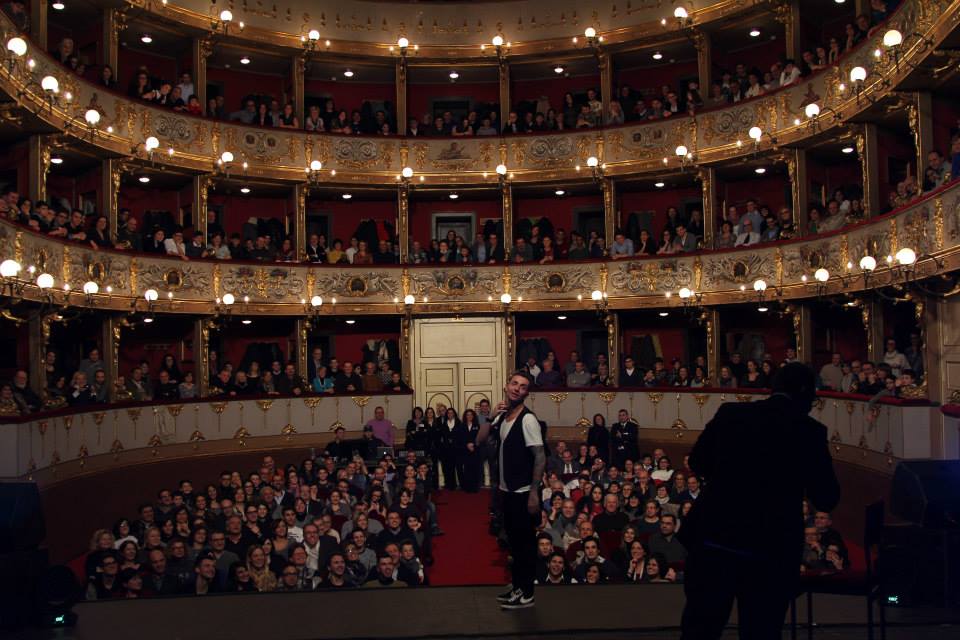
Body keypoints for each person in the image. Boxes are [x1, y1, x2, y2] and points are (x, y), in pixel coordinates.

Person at [678, 363, 840, 639]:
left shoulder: (731, 413)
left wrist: (731, 477)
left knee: (700, 630)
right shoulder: (809, 431)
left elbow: (698, 461)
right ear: (805, 393)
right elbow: (827, 497)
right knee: (761, 631)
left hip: (715, 539)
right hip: (770, 550)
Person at [474, 371, 545, 610]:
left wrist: (534, 493)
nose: (517, 388)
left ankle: (527, 593)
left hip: (523, 492)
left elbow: (540, 457)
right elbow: (479, 439)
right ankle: (517, 587)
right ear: (506, 386)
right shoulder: (503, 417)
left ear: (527, 393)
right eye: (514, 383)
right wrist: (490, 416)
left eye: (523, 386)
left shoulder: (528, 420)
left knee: (525, 545)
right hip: (507, 492)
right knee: (514, 545)